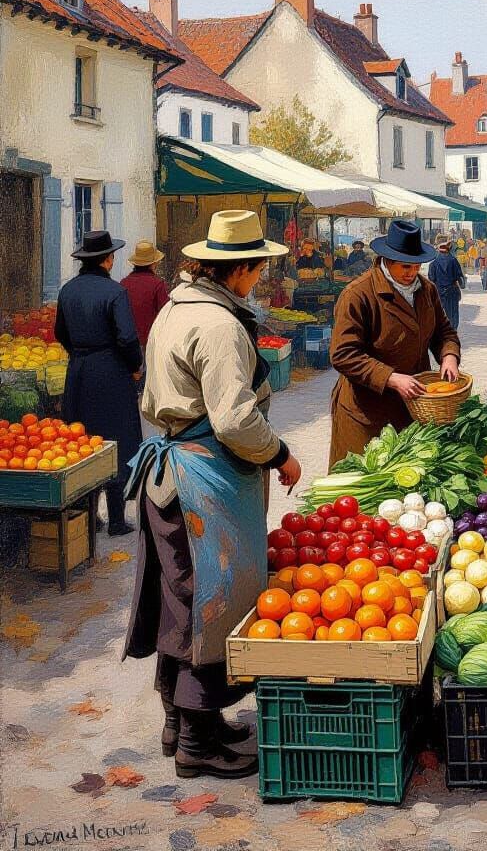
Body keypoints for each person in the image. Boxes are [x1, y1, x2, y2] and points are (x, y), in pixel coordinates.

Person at [122, 210, 302, 780]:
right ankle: (196, 744)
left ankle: (182, 722)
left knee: (179, 598)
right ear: (240, 269)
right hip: (202, 480)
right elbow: (234, 420)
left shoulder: (178, 306)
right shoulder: (219, 325)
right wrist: (280, 453)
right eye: (259, 269)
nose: (261, 277)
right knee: (210, 601)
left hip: (170, 474)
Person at [328, 220, 461, 465]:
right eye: (405, 266)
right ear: (387, 260)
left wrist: (449, 356)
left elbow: (444, 331)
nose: (412, 273)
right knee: (364, 479)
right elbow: (343, 354)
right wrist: (390, 378)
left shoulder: (427, 290)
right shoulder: (357, 294)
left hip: (412, 408)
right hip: (366, 413)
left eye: (417, 266)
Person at [56, 230, 143, 537]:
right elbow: (127, 338)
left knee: (82, 440)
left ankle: (90, 516)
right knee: (115, 439)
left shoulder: (67, 291)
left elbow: (60, 333)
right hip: (111, 373)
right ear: (108, 260)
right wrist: (134, 366)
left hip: (79, 372)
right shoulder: (115, 292)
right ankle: (117, 520)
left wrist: (80, 353)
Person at [121, 241, 171, 350]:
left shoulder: (124, 283)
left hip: (126, 343)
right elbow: (165, 314)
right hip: (149, 343)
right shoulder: (157, 284)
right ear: (153, 264)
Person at [428, 235, 467, 330]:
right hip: (452, 292)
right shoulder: (453, 260)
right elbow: (460, 277)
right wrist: (461, 284)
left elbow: (431, 279)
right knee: (453, 316)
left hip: (439, 293)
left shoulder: (433, 263)